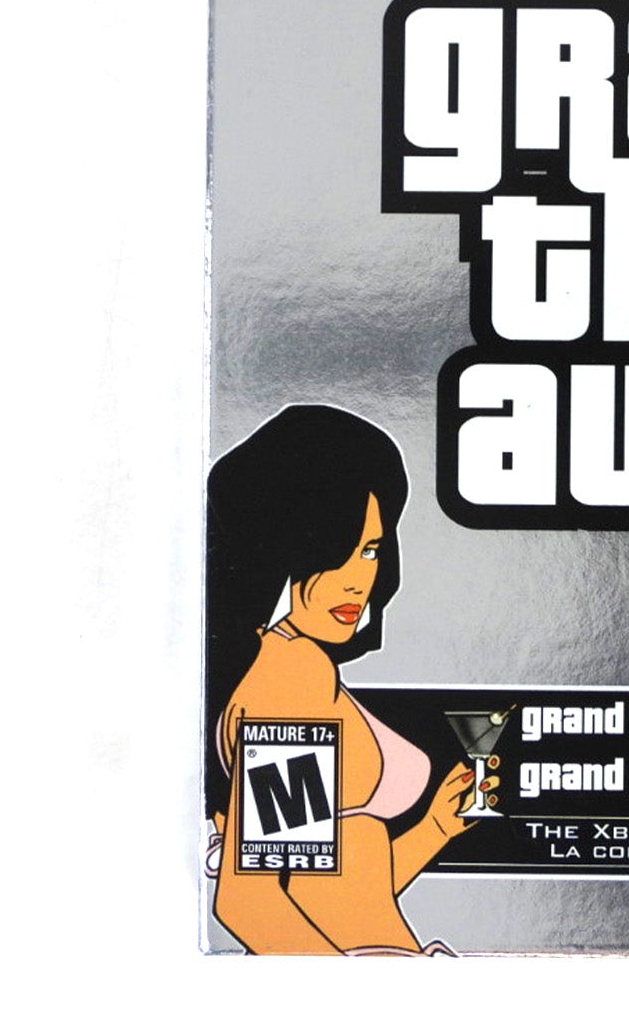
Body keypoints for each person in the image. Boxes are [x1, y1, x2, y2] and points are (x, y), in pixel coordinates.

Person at [204, 404, 492, 955]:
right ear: (280, 546)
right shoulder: (294, 675)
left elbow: (336, 892)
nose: (359, 580)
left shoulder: (290, 665)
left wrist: (434, 829)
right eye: (336, 551)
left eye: (370, 551)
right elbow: (247, 901)